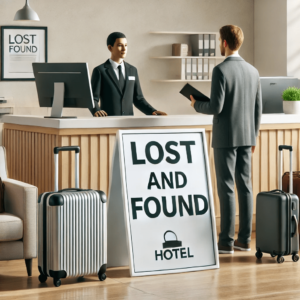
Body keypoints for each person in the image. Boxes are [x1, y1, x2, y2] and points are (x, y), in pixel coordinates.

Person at [190, 25, 262, 254]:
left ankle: (226, 242)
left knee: (226, 187)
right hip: (247, 136)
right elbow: (258, 108)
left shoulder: (220, 70)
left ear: (224, 43)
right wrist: (254, 136)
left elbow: (215, 106)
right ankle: (245, 240)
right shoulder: (253, 71)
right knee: (245, 186)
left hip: (225, 138)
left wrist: (195, 104)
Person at [90, 32, 167, 117]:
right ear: (110, 48)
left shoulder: (133, 70)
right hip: (108, 121)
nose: (124, 49)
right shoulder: (100, 71)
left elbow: (138, 99)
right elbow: (93, 98)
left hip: (129, 122)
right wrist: (96, 110)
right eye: (120, 45)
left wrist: (153, 111)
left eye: (126, 45)